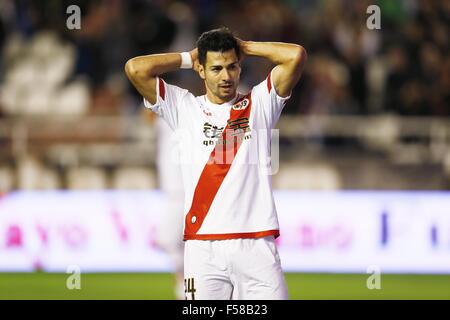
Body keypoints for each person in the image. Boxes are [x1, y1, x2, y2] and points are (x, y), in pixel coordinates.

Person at [125, 27, 307, 300]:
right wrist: (189, 56)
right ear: (201, 70)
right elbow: (136, 68)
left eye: (232, 67)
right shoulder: (183, 107)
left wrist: (245, 46)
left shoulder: (260, 103)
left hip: (256, 246)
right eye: (216, 68)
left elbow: (295, 55)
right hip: (202, 250)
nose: (226, 76)